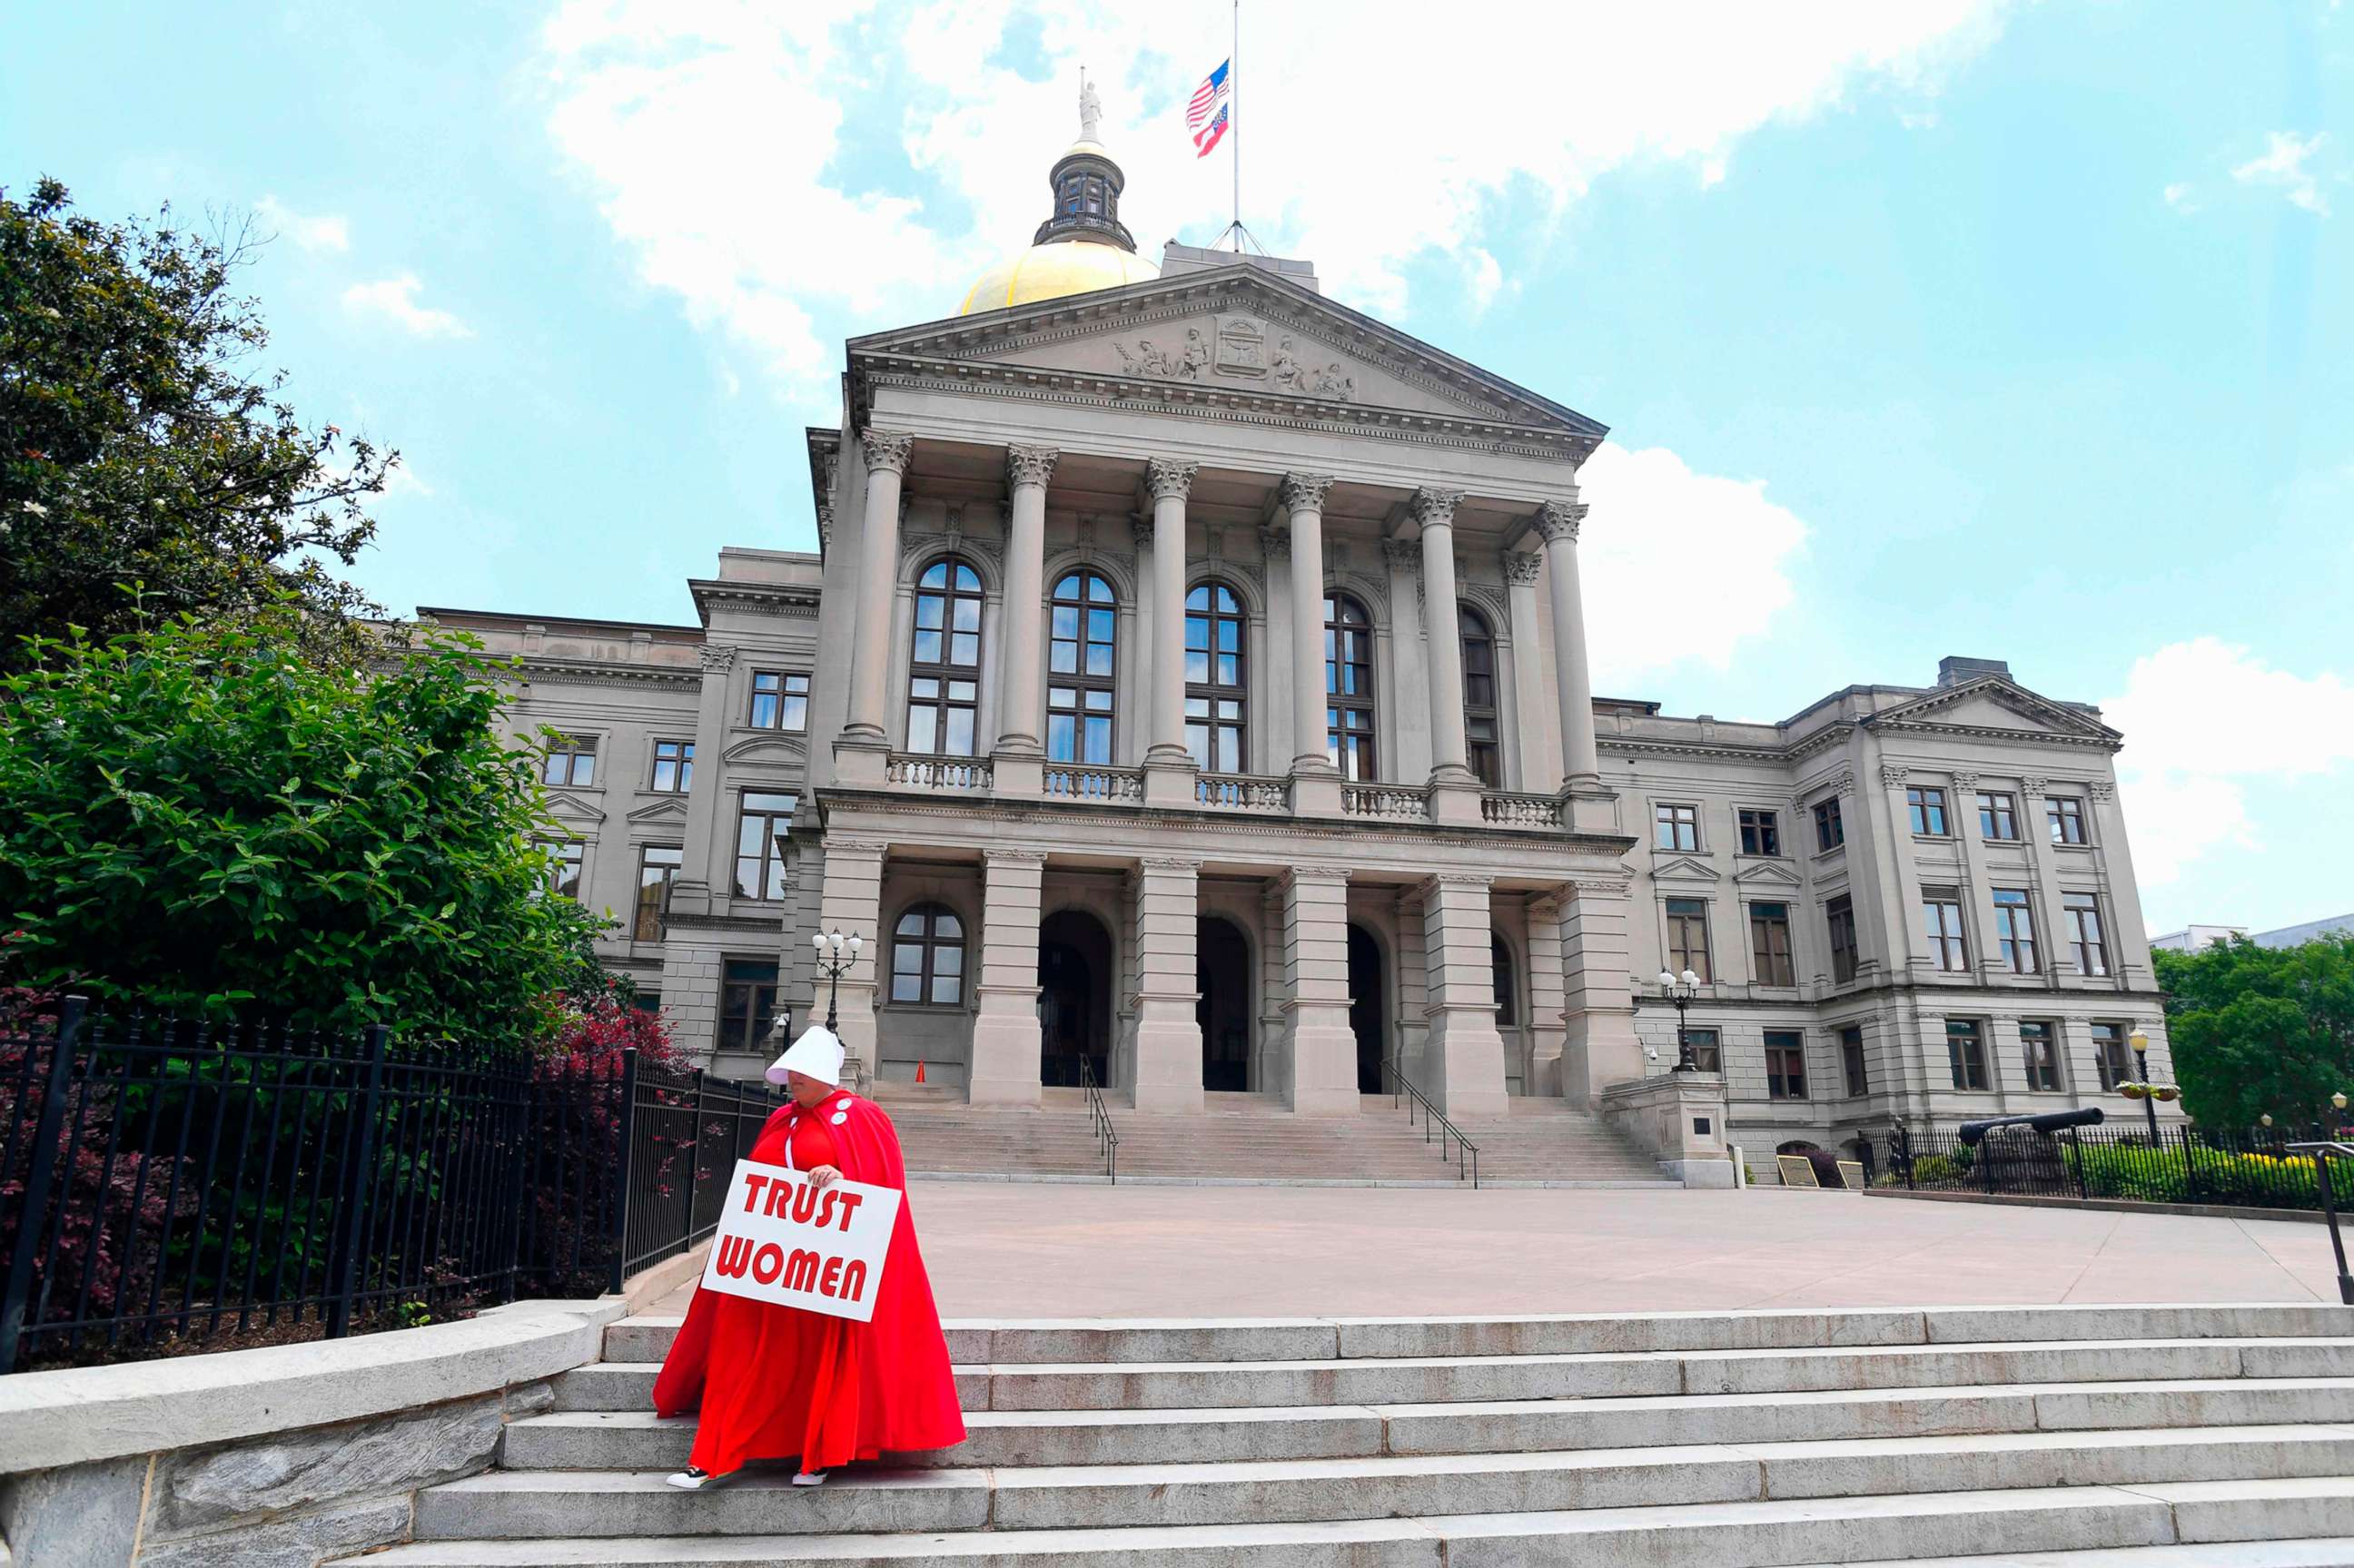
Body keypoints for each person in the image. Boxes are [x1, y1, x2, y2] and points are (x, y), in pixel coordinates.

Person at [651, 1025, 964, 1489]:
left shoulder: (863, 1118)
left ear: (824, 1073)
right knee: (743, 1352)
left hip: (824, 1273)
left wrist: (840, 1175)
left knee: (821, 1361)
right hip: (773, 1269)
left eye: (802, 1071)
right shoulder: (782, 1120)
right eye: (790, 1071)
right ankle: (711, 1457)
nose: (793, 1079)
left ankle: (817, 1455)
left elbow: (881, 1188)